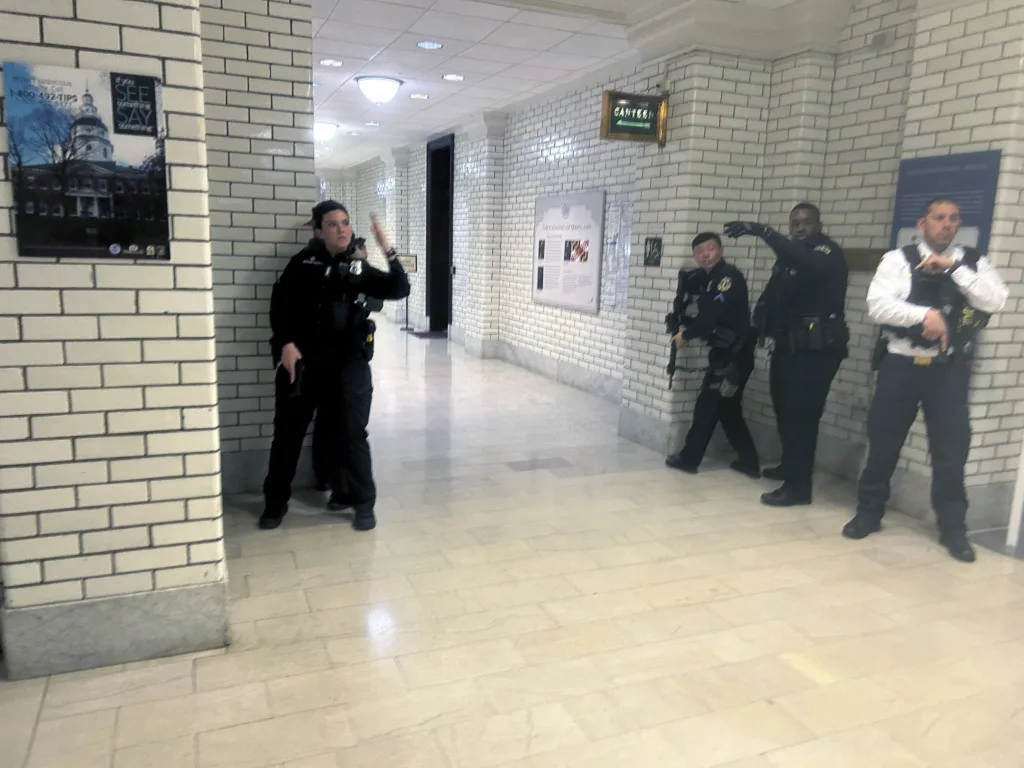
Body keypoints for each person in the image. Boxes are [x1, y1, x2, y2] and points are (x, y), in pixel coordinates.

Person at [843, 198, 1008, 562]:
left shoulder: (971, 261)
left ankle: (953, 530)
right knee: (883, 443)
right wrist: (926, 315)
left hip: (947, 370)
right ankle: (868, 513)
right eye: (939, 218)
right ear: (923, 223)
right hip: (901, 365)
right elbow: (878, 306)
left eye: (953, 218)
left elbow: (995, 300)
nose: (947, 225)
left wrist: (953, 269)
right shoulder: (897, 260)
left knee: (950, 453)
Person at [261, 200, 410, 531]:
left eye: (345, 222)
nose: (341, 229)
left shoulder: (358, 266)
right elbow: (279, 306)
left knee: (351, 434)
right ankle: (275, 502)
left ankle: (360, 502)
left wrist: (388, 248)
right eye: (332, 224)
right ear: (318, 231)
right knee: (287, 435)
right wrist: (285, 343)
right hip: (302, 362)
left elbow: (400, 288)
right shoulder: (301, 264)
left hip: (348, 364)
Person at [724, 203, 849, 507]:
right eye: (794, 223)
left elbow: (809, 264)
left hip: (816, 350)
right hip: (788, 344)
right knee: (784, 409)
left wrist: (763, 232)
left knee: (801, 417)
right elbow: (775, 291)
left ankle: (799, 487)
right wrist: (759, 320)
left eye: (806, 222)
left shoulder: (826, 253)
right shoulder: (790, 257)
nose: (800, 228)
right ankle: (791, 466)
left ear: (818, 223)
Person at [665, 232, 760, 477]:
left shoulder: (726, 278)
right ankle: (749, 461)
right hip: (729, 354)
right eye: (699, 251)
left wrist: (685, 336)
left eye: (710, 249)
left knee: (706, 408)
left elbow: (711, 316)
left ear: (721, 251)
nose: (705, 255)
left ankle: (689, 459)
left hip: (732, 358)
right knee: (728, 411)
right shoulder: (710, 278)